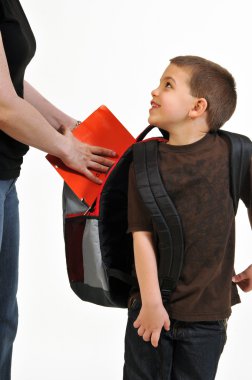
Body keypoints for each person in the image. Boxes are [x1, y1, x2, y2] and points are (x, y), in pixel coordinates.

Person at [0, 1, 116, 379]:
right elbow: (3, 107)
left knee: (3, 315)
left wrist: (68, 125)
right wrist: (67, 148)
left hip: (4, 174)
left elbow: (11, 81)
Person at [123, 55, 252, 380]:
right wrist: (151, 303)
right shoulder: (145, 159)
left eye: (168, 85)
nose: (154, 90)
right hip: (150, 312)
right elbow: (142, 235)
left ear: (197, 107)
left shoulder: (236, 153)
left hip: (208, 318)